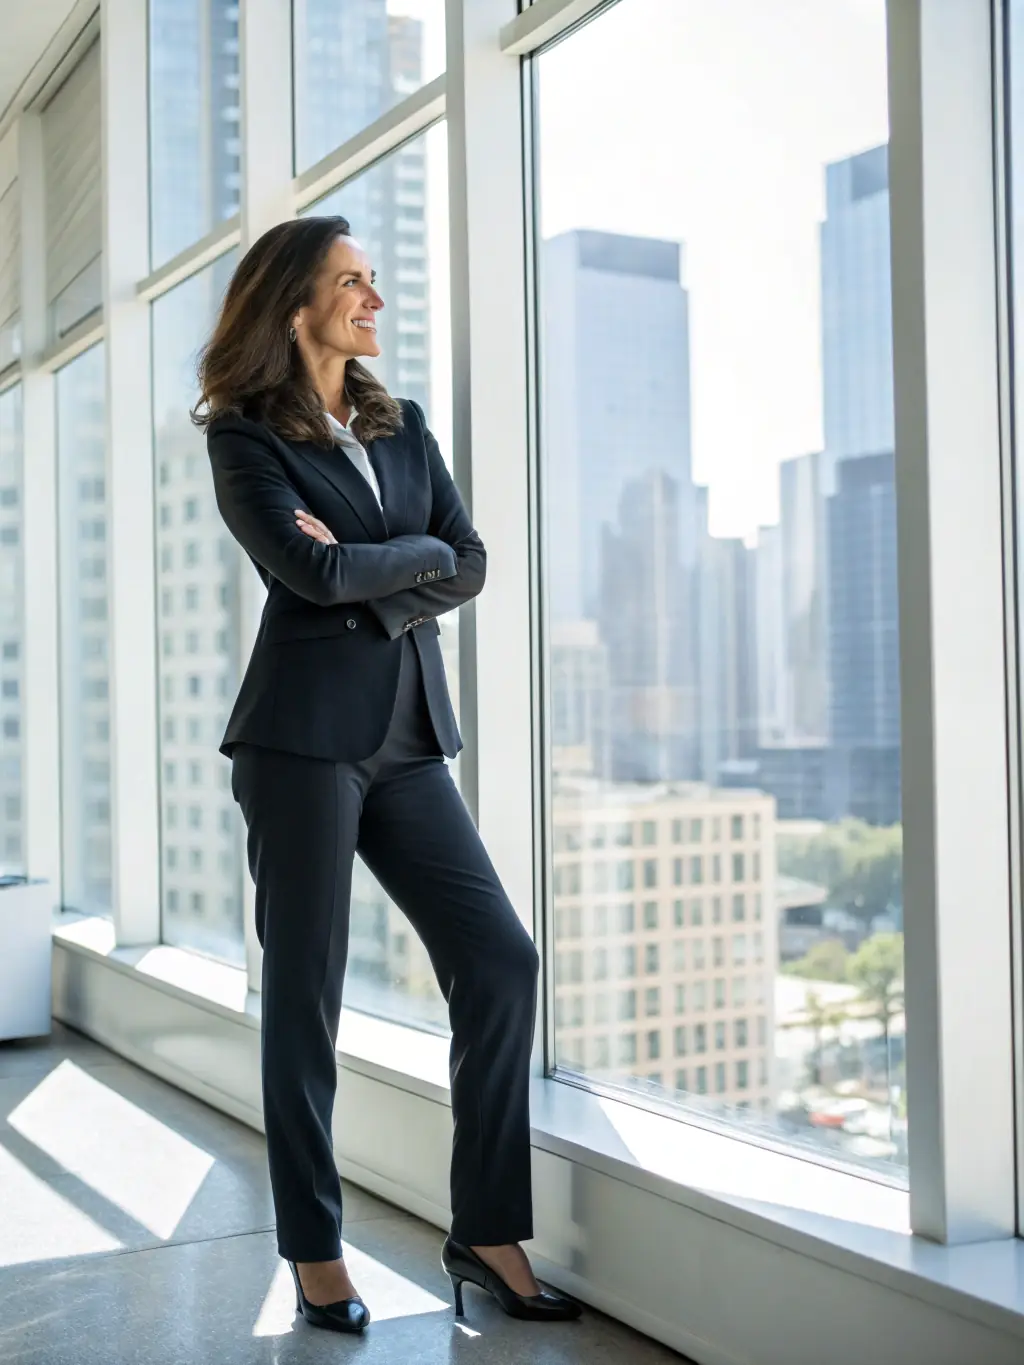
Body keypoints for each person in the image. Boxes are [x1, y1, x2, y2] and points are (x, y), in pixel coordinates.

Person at [191, 216, 581, 1335]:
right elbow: (307, 569)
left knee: (499, 961)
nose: (372, 300)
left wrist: (378, 566)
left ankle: (487, 1228)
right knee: (305, 1001)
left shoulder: (398, 425)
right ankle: (314, 1252)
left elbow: (471, 560)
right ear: (294, 306)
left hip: (409, 738)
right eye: (349, 283)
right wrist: (396, 564)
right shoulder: (244, 438)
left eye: (372, 281)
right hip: (300, 742)